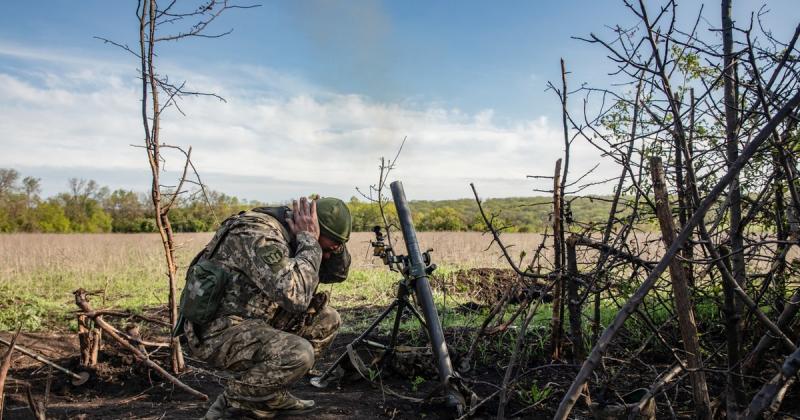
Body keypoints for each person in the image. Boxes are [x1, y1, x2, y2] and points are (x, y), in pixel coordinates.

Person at [175, 196, 351, 419]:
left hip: (253, 317)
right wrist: (309, 241)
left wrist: (330, 247)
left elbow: (336, 274)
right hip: (217, 329)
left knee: (326, 320)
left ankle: (266, 395)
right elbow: (296, 297)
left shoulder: (291, 234)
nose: (325, 256)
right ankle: (233, 401)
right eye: (326, 249)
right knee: (297, 353)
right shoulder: (258, 234)